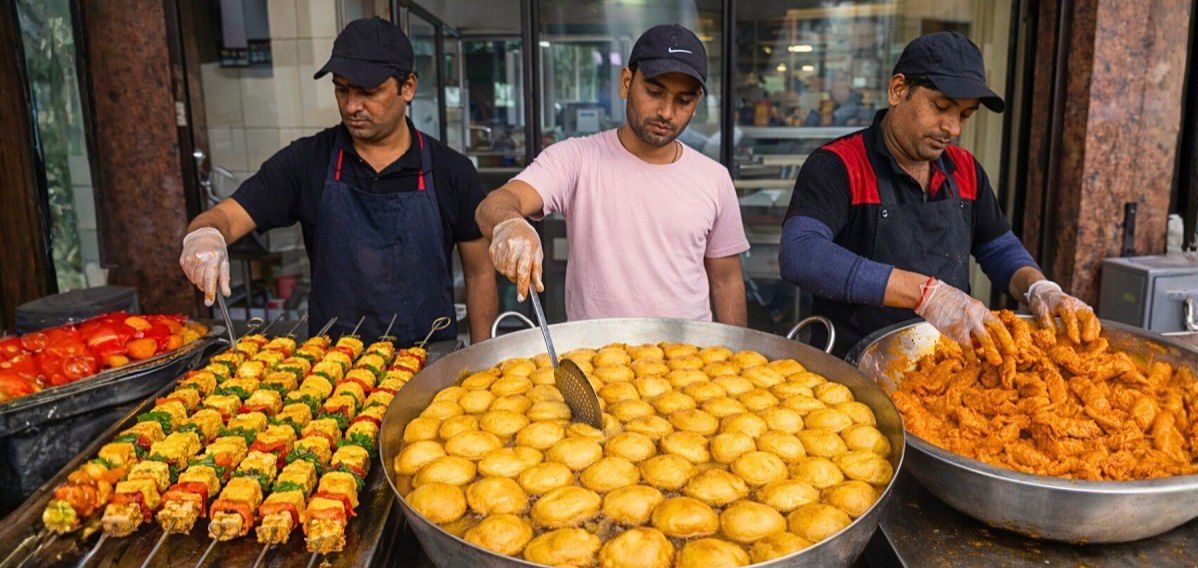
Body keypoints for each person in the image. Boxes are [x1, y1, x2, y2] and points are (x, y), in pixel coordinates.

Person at [779, 31, 1097, 360]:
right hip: (855, 369)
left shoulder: (966, 170)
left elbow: (997, 247)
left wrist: (1037, 287)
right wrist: (927, 295)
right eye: (941, 106)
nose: (953, 128)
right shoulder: (838, 165)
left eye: (964, 115)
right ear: (898, 89)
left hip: (950, 362)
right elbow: (800, 254)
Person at [179, 18, 498, 344]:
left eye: (368, 92)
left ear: (408, 87)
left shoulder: (452, 171)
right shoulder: (305, 162)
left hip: (430, 364)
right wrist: (205, 234)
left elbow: (480, 272)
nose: (351, 105)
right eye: (342, 89)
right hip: (332, 372)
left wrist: (482, 355)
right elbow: (226, 217)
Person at [475, 24, 748, 325]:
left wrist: (738, 360)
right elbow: (495, 204)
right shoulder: (576, 159)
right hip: (596, 358)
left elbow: (726, 281)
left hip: (689, 358)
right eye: (655, 92)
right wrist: (509, 223)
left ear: (696, 105)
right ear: (626, 82)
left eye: (683, 101)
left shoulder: (714, 178)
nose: (667, 113)